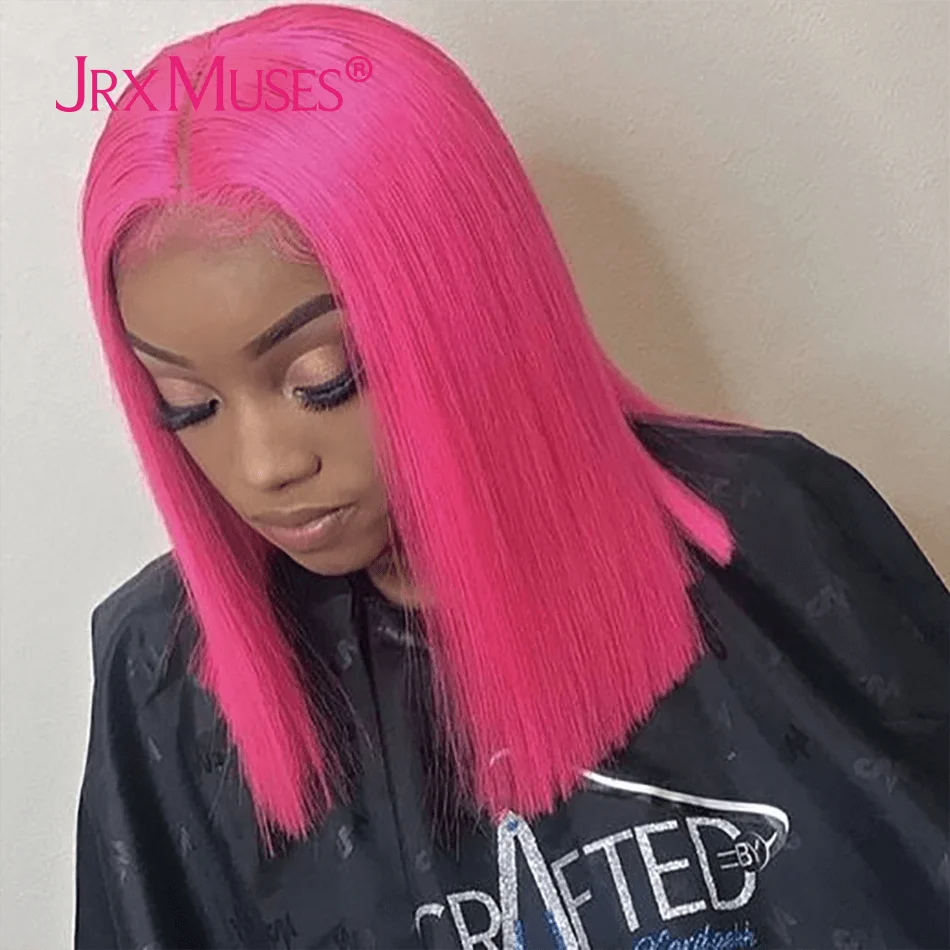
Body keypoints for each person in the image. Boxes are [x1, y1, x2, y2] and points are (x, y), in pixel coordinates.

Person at [73, 4, 948, 949]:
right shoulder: (164, 678)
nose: (264, 467)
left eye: (325, 378)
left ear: (471, 303)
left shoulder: (774, 533)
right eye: (187, 405)